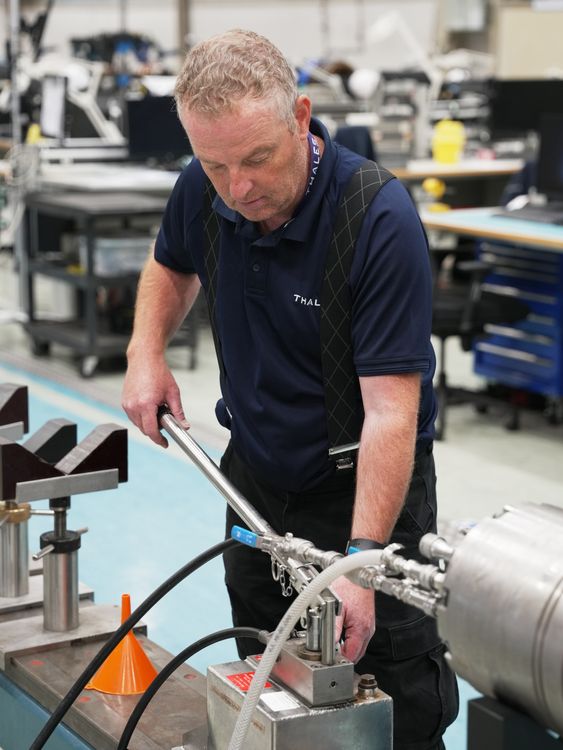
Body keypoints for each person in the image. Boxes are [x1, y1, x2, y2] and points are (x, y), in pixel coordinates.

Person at [122, 28, 459, 750]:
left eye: (256, 159)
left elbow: (390, 413)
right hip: (254, 481)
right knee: (265, 688)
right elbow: (170, 263)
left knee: (391, 706)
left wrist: (360, 563)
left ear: (300, 117)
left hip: (363, 492)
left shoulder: (375, 218)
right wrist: (145, 353)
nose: (236, 189)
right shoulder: (203, 185)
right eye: (214, 165)